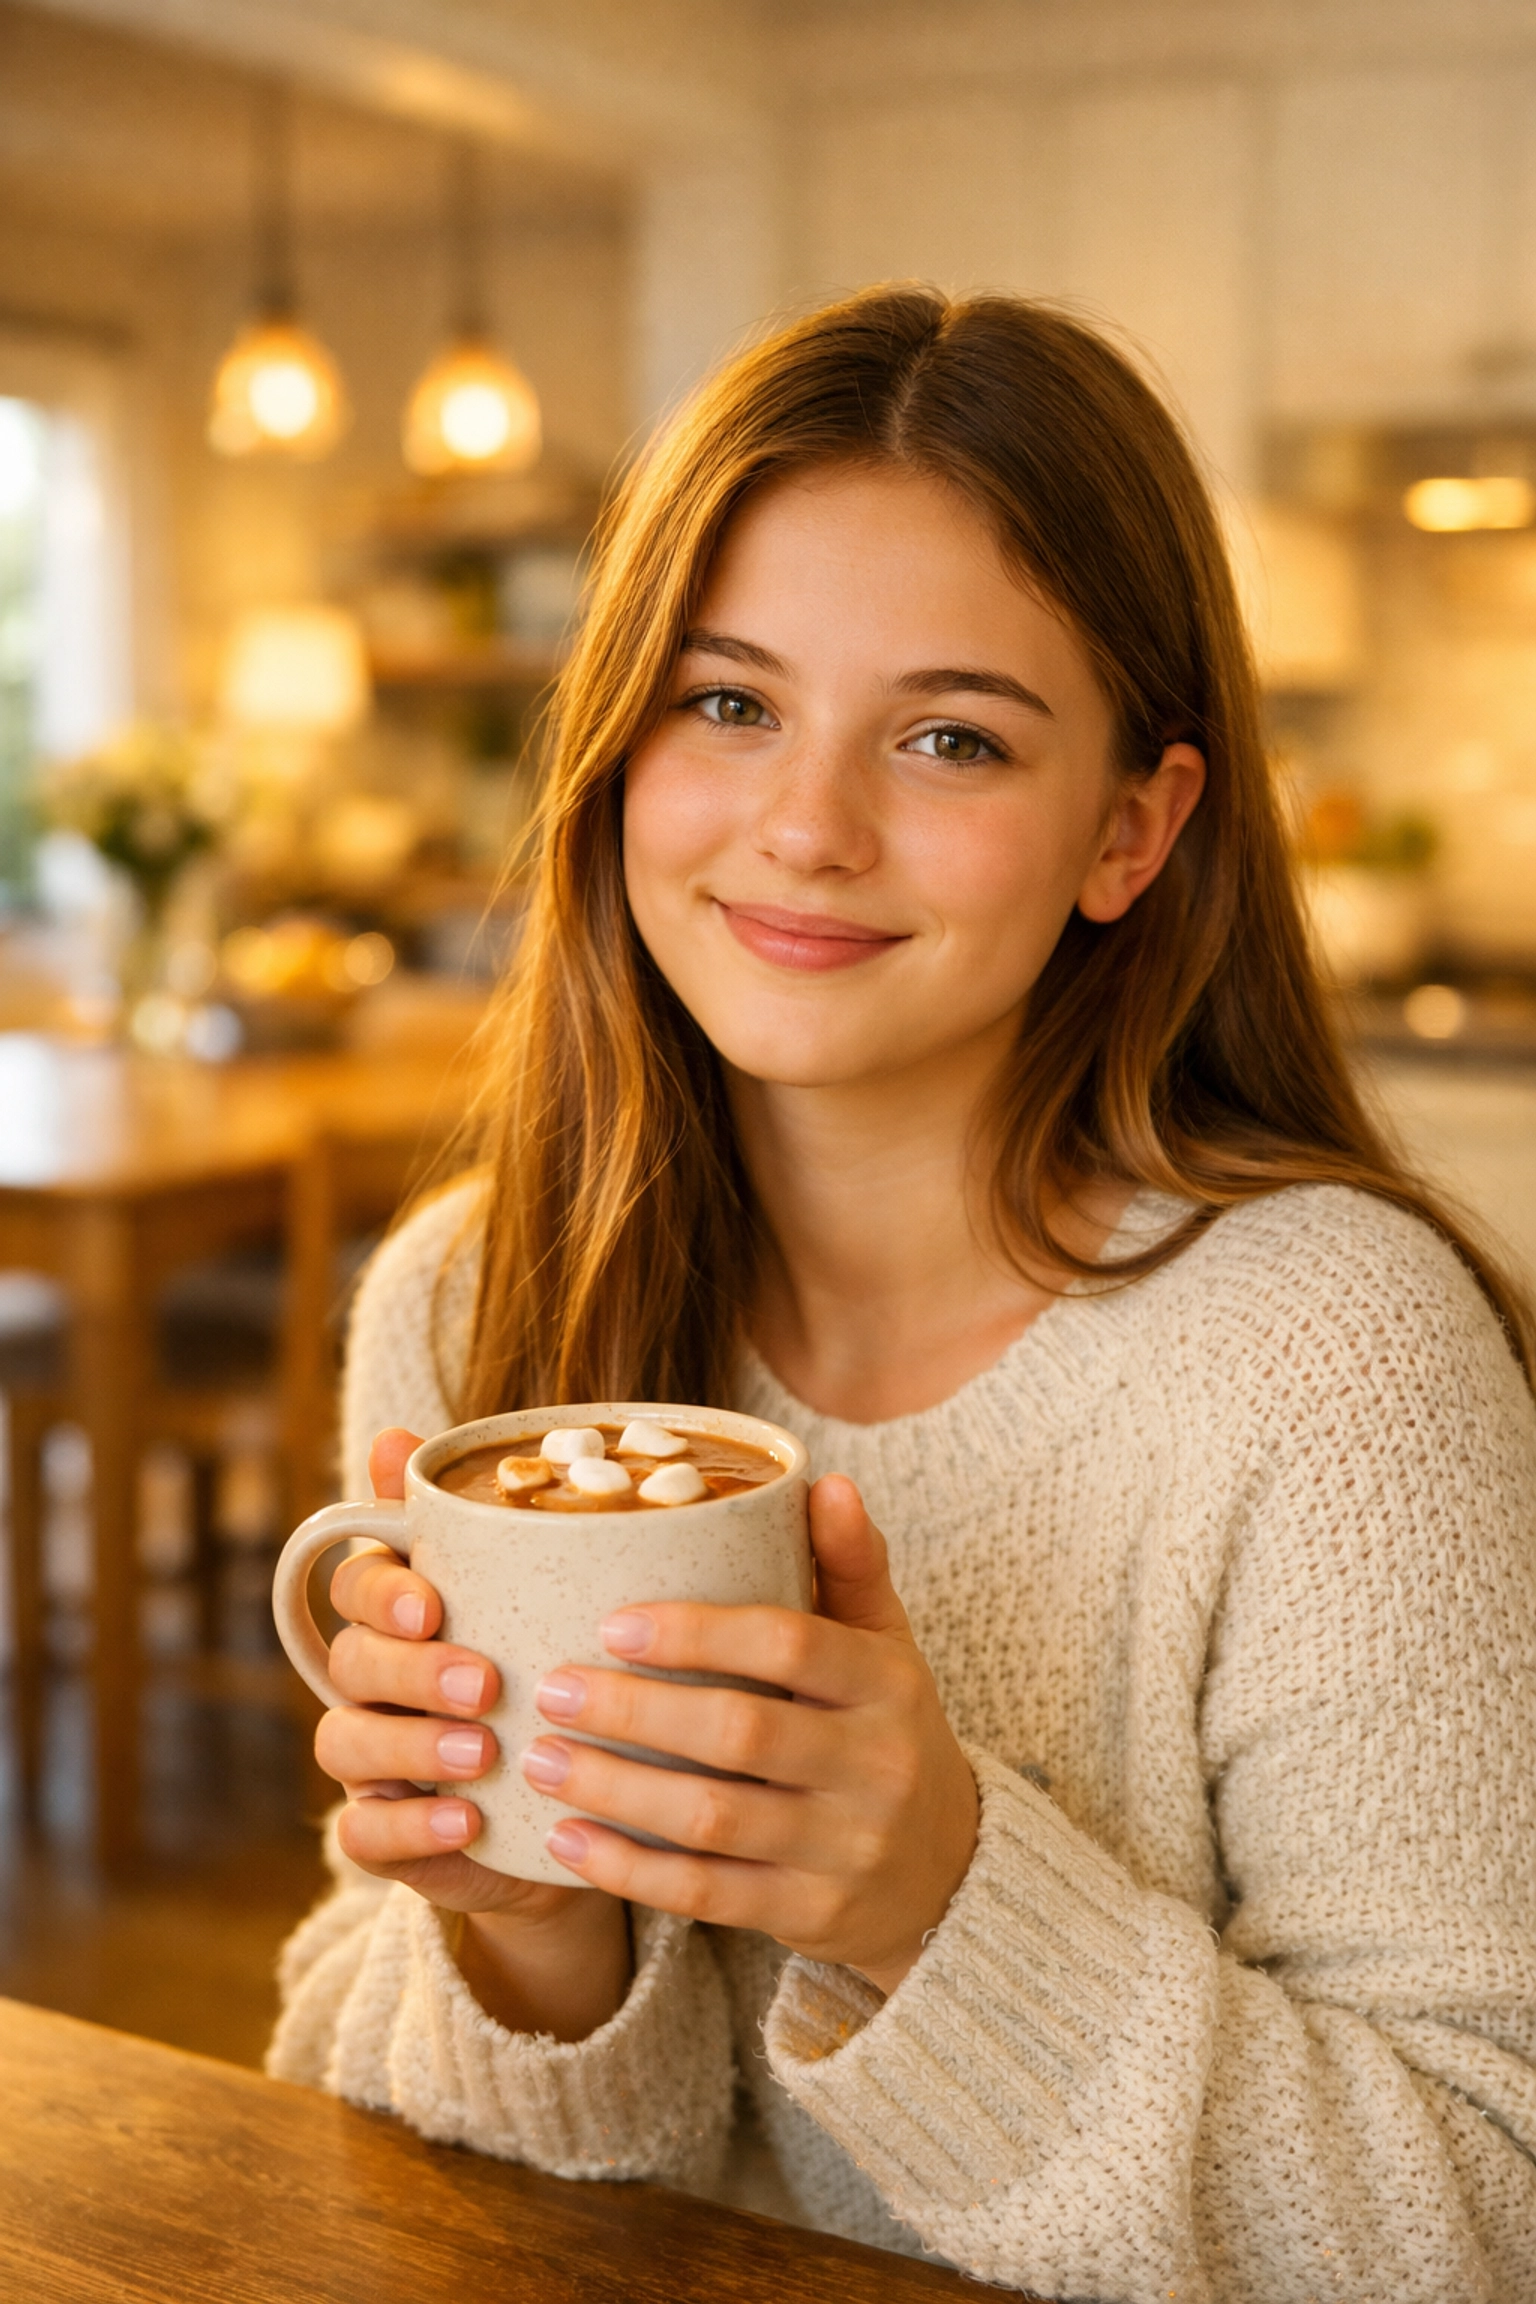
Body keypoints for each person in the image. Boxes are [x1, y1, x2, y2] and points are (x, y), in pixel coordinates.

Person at [269, 288, 1536, 2303]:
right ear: (612, 747)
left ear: (1132, 827)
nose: (807, 826)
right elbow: (393, 2121)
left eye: (949, 736)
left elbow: (1483, 2221)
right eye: (726, 702)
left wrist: (938, 1900)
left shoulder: (1338, 1362)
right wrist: (518, 1932)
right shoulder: (477, 1303)